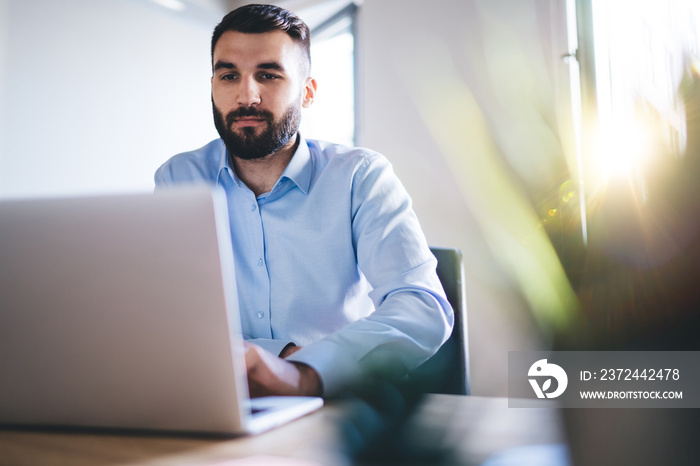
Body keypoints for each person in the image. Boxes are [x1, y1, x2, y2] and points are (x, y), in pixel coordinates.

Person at [154, 4, 453, 398]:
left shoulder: (360, 176)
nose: (247, 95)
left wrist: (309, 370)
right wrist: (283, 356)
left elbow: (422, 307)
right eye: (229, 75)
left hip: (335, 402)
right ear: (212, 86)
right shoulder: (179, 179)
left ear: (307, 92)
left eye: (268, 74)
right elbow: (173, 316)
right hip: (215, 399)